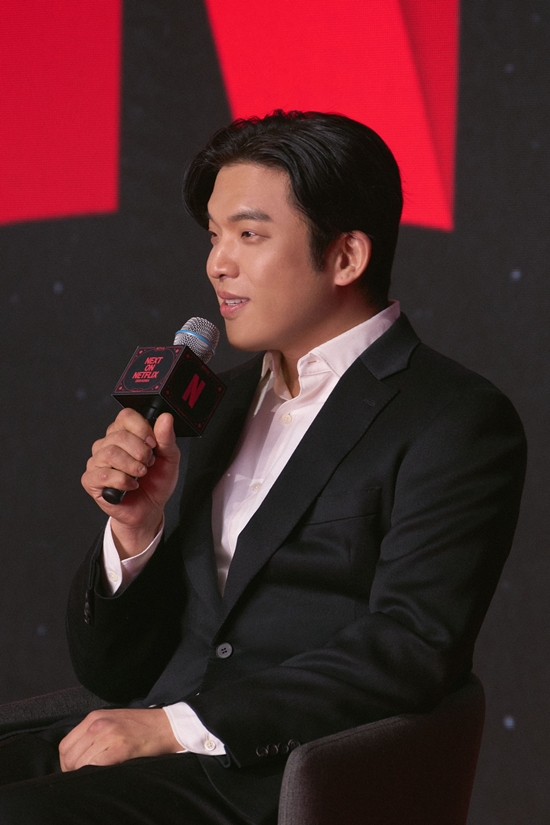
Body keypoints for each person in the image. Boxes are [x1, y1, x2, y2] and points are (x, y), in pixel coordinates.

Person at [0, 111, 526, 824]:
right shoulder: (215, 403)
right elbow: (113, 672)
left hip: (273, 776)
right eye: (214, 236)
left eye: (248, 235)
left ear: (345, 257)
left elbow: (409, 646)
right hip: (143, 739)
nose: (217, 263)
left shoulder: (454, 418)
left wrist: (175, 727)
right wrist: (136, 532)